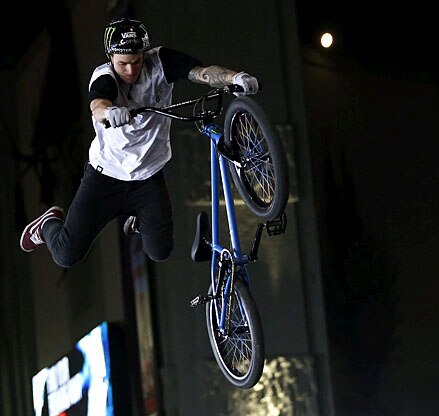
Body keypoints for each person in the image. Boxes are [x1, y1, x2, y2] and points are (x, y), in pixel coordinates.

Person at [19, 16, 259, 266]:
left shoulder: (160, 61)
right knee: (66, 255)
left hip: (147, 178)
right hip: (105, 178)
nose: (131, 70)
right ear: (111, 57)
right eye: (123, 64)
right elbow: (97, 104)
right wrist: (109, 112)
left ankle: (138, 219)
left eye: (136, 61)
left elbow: (202, 73)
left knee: (160, 252)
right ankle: (48, 224)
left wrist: (235, 78)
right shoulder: (104, 76)